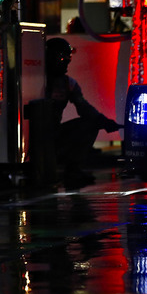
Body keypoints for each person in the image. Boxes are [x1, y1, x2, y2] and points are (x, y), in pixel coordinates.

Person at [45, 37, 122, 185]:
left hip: (52, 137)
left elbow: (85, 109)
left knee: (90, 124)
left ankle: (73, 170)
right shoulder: (32, 81)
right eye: (63, 58)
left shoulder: (68, 84)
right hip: (35, 139)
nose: (67, 61)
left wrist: (103, 121)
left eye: (68, 58)